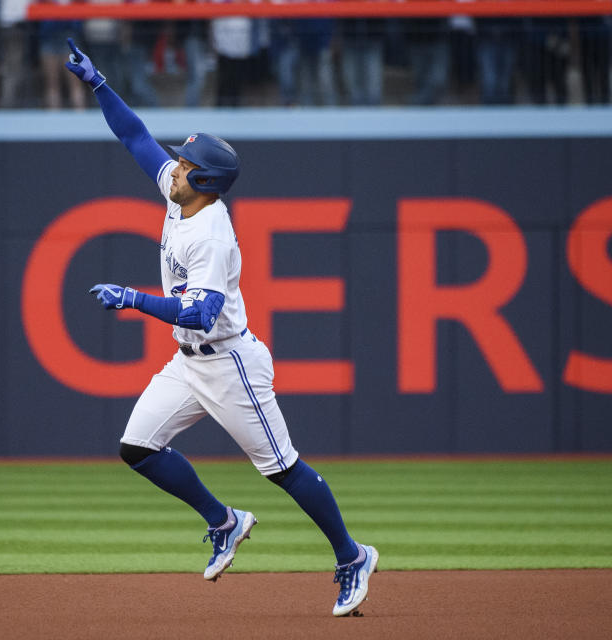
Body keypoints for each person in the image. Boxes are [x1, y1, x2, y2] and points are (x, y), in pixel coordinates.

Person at [64, 37, 378, 617]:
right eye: (180, 161)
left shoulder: (210, 233)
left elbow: (201, 313)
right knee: (137, 447)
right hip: (189, 362)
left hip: (230, 360)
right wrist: (99, 84)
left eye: (185, 165)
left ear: (205, 182)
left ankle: (351, 556)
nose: (174, 167)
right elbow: (134, 136)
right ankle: (224, 520)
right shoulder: (180, 195)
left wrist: (133, 298)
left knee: (282, 469)